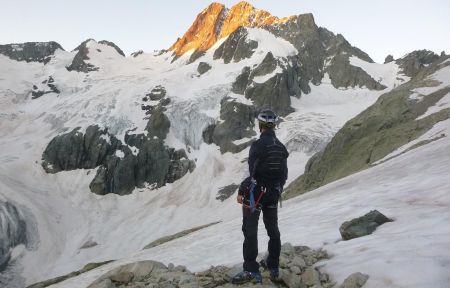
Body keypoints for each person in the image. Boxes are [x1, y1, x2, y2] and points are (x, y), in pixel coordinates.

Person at [232, 109, 289, 284]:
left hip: (256, 195)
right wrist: (276, 190)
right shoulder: (281, 147)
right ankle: (273, 266)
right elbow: (284, 174)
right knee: (273, 230)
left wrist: (242, 190)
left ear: (260, 125)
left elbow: (252, 173)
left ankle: (251, 270)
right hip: (273, 195)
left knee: (250, 231)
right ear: (274, 126)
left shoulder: (257, 146)